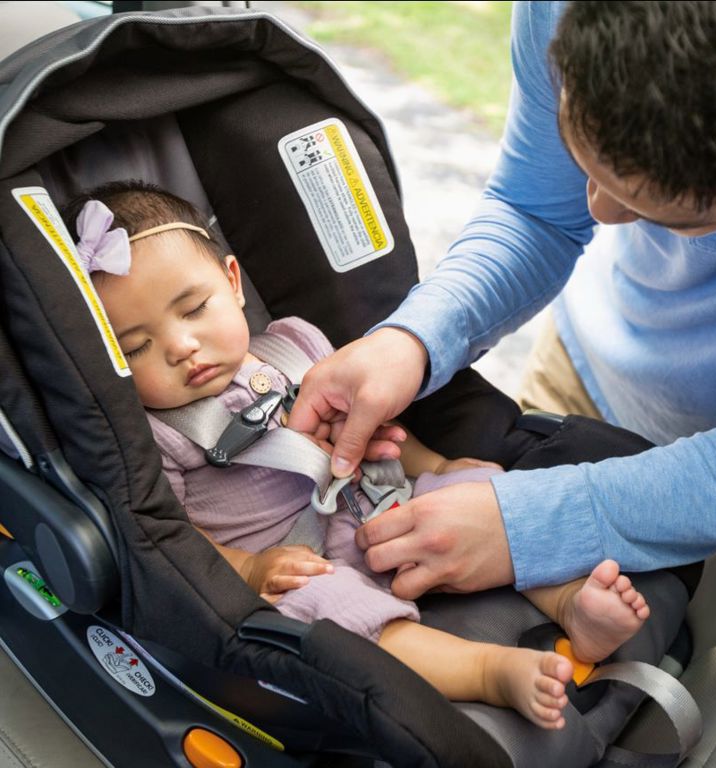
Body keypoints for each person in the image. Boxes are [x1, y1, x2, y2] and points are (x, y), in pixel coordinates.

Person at [62, 180, 651, 730]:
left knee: (474, 500)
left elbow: (376, 426)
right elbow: (175, 538)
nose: (181, 346)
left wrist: (437, 468)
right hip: (293, 562)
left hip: (380, 504)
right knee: (331, 613)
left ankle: (571, 603)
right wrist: (248, 570)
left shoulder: (295, 345)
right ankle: (487, 672)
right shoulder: (155, 434)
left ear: (233, 282)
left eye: (194, 309)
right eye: (136, 345)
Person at [287, 0, 716, 600]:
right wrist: (414, 336)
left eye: (663, 217)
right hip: (583, 376)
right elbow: (541, 212)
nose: (600, 213)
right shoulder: (558, 9)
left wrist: (538, 523)